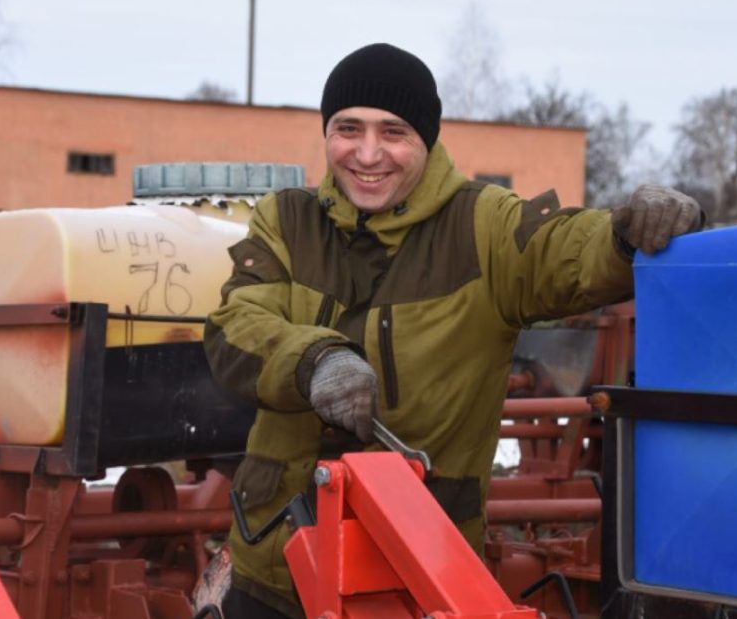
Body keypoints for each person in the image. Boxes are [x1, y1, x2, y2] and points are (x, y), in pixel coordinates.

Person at [204, 42, 701, 618]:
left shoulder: (482, 224)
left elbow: (563, 251)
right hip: (274, 565)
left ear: (427, 140)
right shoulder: (286, 219)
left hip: (420, 572)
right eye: (348, 129)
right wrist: (315, 359)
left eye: (394, 132)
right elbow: (235, 328)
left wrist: (624, 234)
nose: (367, 153)